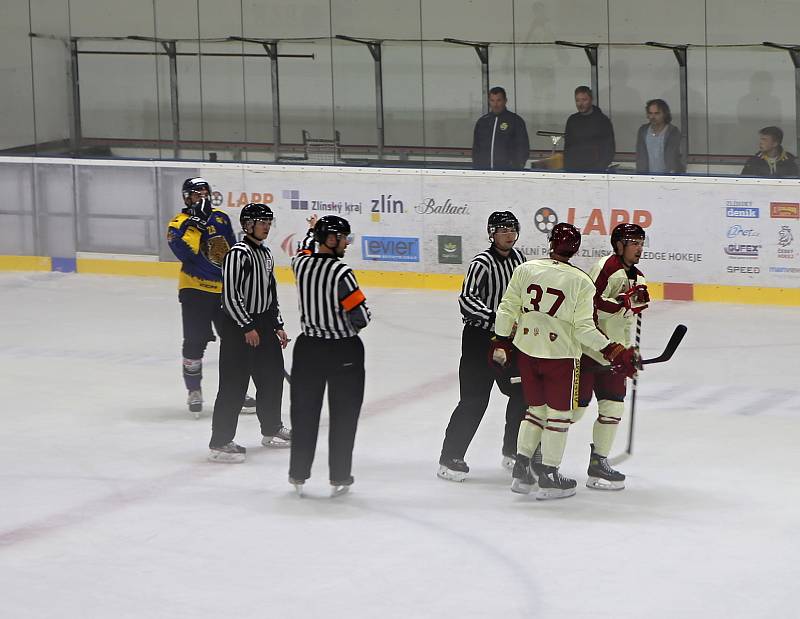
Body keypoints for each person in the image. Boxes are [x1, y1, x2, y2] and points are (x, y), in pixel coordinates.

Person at [489, 223, 638, 500]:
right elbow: (584, 329)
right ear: (576, 248)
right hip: (560, 357)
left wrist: (500, 341)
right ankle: (548, 474)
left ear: (550, 243)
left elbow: (507, 307)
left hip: (527, 351)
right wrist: (613, 349)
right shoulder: (580, 280)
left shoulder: (526, 269)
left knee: (534, 411)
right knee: (558, 417)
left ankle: (521, 469)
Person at [438, 212, 527, 482]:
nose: (508, 235)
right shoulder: (482, 263)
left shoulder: (520, 260)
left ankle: (513, 452)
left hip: (510, 342)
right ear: (492, 234)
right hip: (480, 341)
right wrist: (497, 319)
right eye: (502, 230)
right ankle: (450, 457)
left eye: (512, 230)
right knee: (474, 400)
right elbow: (466, 299)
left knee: (522, 393)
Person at [288, 214, 371, 497]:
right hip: (342, 351)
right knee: (344, 416)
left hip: (308, 349)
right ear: (332, 239)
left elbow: (304, 249)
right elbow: (360, 317)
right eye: (343, 237)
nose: (347, 242)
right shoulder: (341, 273)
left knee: (303, 414)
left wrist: (312, 231)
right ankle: (339, 475)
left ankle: (298, 473)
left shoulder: (300, 265)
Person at [207, 203, 291, 463]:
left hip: (263, 326)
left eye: (268, 221)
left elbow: (270, 294)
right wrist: (246, 326)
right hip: (238, 328)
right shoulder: (237, 254)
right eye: (261, 221)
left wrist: (277, 325)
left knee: (271, 379)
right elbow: (230, 296)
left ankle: (271, 429)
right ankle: (220, 442)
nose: (266, 226)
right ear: (247, 225)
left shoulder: (266, 254)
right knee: (234, 385)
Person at [167, 177, 255, 417]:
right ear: (187, 198)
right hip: (195, 291)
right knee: (195, 342)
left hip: (224, 291)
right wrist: (197, 224)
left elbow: (232, 251)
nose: (201, 198)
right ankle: (194, 390)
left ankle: (237, 391)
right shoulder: (179, 224)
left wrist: (239, 280)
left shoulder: (220, 218)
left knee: (235, 342)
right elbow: (186, 253)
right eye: (196, 195)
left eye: (205, 194)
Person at [573, 223, 649, 490]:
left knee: (613, 408)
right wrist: (621, 304)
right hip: (590, 351)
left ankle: (598, 463)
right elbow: (588, 306)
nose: (639, 248)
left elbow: (628, 319)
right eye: (634, 242)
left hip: (616, 357)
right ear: (619, 245)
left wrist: (630, 348)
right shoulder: (606, 268)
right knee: (573, 411)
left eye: (642, 242)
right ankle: (536, 454)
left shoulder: (638, 277)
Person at [472, 86, 530, 170]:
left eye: (499, 100)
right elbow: (476, 149)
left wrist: (516, 167)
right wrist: (477, 167)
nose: (495, 104)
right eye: (492, 100)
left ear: (505, 101)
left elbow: (523, 148)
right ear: (489, 101)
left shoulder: (515, 121)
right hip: (484, 172)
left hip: (508, 173)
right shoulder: (482, 122)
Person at [563, 86, 616, 172]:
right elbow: (567, 148)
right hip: (573, 170)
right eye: (577, 100)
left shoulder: (602, 121)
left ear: (591, 100)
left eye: (584, 100)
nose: (580, 104)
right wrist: (568, 169)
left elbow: (609, 149)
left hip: (596, 171)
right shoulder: (572, 120)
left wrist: (599, 168)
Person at [635, 99, 685, 174]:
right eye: (650, 113)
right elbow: (640, 156)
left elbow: (679, 157)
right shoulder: (643, 131)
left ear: (665, 114)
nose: (653, 116)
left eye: (657, 113)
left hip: (669, 177)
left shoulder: (673, 132)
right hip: (646, 178)